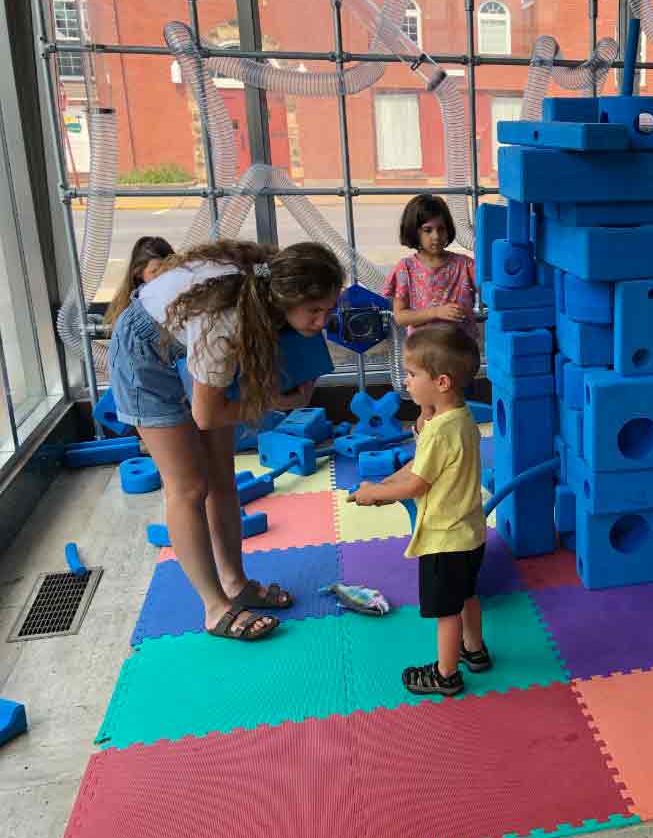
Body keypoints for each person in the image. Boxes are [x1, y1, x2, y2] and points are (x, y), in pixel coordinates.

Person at [108, 240, 344, 640]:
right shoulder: (226, 323)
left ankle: (235, 584)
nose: (323, 322)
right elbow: (208, 414)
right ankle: (215, 608)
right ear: (285, 299)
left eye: (329, 309)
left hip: (182, 345)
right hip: (143, 358)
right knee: (188, 487)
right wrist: (274, 401)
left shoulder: (266, 284)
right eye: (315, 311)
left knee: (222, 477)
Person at [349, 324, 488, 696]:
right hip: (470, 533)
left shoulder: (441, 431)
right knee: (467, 596)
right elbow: (419, 464)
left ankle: (446, 674)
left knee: (446, 611)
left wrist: (375, 495)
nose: (406, 383)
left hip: (443, 539)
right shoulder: (459, 418)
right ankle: (474, 651)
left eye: (412, 375)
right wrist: (380, 484)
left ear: (441, 382)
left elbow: (416, 484)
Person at [383, 194, 477, 429]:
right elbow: (401, 316)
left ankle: (452, 453)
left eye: (441, 229)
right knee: (428, 410)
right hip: (424, 356)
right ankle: (424, 454)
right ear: (414, 232)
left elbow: (490, 285)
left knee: (456, 407)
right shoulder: (406, 269)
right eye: (428, 229)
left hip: (457, 353)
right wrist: (437, 312)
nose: (436, 236)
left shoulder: (465, 265)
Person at [103, 236, 174, 326]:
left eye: (169, 269)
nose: (164, 277)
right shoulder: (132, 313)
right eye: (155, 271)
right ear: (138, 273)